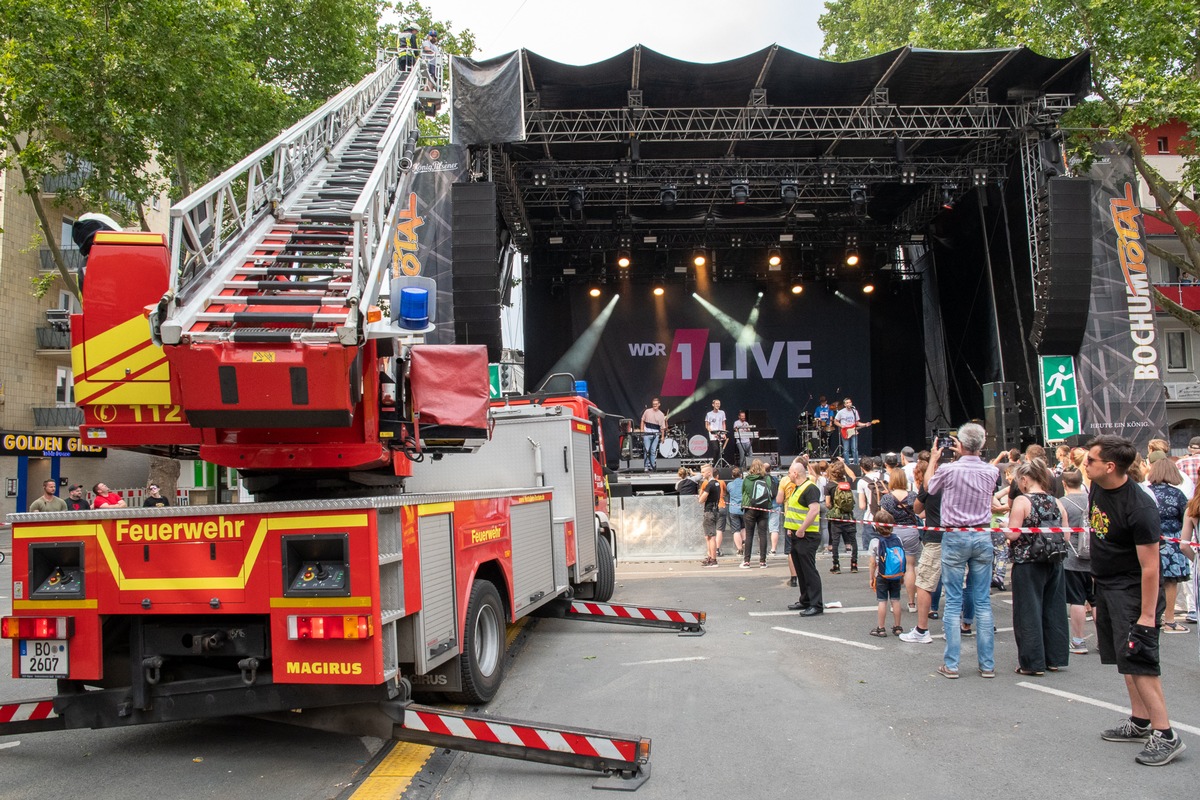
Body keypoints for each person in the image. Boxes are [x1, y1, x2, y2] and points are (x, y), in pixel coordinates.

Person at [1086, 435, 1184, 766]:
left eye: (1090, 461)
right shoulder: (1099, 488)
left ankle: (1166, 734)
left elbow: (1151, 567)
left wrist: (1146, 617)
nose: (1084, 465)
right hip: (1109, 587)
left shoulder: (1139, 507)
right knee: (1124, 661)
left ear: (1109, 466)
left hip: (1132, 591)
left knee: (1140, 660)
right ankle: (1140, 722)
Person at [927, 422, 998, 679]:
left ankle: (952, 664)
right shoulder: (991, 472)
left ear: (961, 444)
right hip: (981, 534)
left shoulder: (949, 469)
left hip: (955, 535)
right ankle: (987, 664)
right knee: (982, 602)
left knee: (954, 600)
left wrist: (936, 459)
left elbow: (930, 489)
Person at [1006, 460, 1070, 675]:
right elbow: (1067, 534)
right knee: (1054, 609)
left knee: (1028, 612)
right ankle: (1055, 658)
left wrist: (1001, 528)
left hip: (1028, 562)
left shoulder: (1022, 501)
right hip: (1054, 560)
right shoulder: (1056, 502)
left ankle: (1032, 663)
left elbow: (1014, 533)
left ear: (1024, 479)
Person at [1146, 456, 1191, 633]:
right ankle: (1170, 620)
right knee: (1171, 582)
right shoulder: (1177, 494)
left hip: (1150, 540)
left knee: (1150, 580)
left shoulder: (1145, 492)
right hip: (1172, 541)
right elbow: (1184, 518)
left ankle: (1150, 617)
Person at [782, 457, 824, 616]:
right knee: (800, 570)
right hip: (797, 535)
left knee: (809, 570)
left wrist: (801, 529)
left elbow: (814, 510)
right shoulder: (797, 488)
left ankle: (816, 604)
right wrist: (792, 528)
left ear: (795, 473)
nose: (788, 475)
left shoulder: (809, 488)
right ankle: (805, 600)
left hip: (807, 535)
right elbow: (795, 510)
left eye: (789, 473)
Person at [1060, 468, 1094, 655]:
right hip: (1094, 557)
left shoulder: (1063, 503)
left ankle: (1079, 640)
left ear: (1064, 484)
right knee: (1096, 601)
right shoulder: (1092, 501)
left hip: (1072, 557)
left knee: (1077, 600)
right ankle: (1104, 642)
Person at [880, 469, 921, 612]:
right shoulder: (912, 496)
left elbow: (883, 518)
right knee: (910, 567)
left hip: (894, 533)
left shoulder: (887, 498)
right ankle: (912, 603)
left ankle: (895, 602)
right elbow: (919, 512)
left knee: (894, 566)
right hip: (911, 531)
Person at [868, 510, 906, 637]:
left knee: (882, 601)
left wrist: (871, 577)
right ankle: (897, 627)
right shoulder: (898, 539)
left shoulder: (875, 541)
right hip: (896, 574)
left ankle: (881, 628)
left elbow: (872, 563)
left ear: (876, 525)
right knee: (895, 600)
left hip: (881, 575)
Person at [825, 460, 859, 574]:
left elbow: (827, 503)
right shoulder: (847, 483)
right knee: (853, 541)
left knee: (835, 541)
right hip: (849, 516)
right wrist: (844, 464)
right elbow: (853, 476)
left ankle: (836, 565)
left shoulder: (829, 485)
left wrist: (833, 508)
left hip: (837, 517)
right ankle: (854, 564)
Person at [741, 460, 773, 569]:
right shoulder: (766, 478)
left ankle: (746, 561)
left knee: (749, 535)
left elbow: (744, 492)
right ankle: (763, 561)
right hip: (763, 508)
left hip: (750, 508)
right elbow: (770, 492)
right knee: (763, 534)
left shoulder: (747, 479)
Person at [698, 465, 721, 567]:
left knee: (711, 536)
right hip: (715, 510)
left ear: (709, 473)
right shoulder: (717, 483)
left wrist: (701, 494)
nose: (702, 474)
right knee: (708, 536)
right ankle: (710, 556)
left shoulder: (710, 484)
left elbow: (701, 500)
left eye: (703, 472)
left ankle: (713, 559)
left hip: (709, 511)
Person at [640, 397, 667, 472]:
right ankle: (646, 466)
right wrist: (642, 430)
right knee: (646, 450)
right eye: (653, 404)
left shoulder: (661, 414)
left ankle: (652, 465)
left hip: (656, 434)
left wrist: (662, 436)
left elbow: (662, 427)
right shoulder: (647, 411)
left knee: (653, 450)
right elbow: (642, 420)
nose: (654, 405)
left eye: (656, 404)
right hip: (647, 433)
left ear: (659, 404)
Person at [833, 397, 863, 464]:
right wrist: (841, 426)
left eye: (850, 402)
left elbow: (857, 422)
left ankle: (856, 464)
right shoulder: (841, 412)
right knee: (846, 449)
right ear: (845, 405)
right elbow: (835, 421)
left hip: (853, 431)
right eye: (847, 403)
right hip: (845, 431)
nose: (849, 404)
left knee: (854, 449)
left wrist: (865, 424)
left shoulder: (855, 411)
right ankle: (847, 464)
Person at [726, 467, 746, 558]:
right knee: (743, 528)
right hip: (744, 509)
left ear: (732, 476)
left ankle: (739, 549)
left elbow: (727, 493)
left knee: (736, 530)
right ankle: (745, 542)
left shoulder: (730, 485)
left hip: (733, 510)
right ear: (741, 475)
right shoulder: (745, 483)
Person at [704, 399, 727, 466]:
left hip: (721, 433)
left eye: (719, 403)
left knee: (721, 450)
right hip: (713, 434)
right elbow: (707, 425)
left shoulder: (722, 412)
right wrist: (712, 432)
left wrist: (724, 433)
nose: (718, 405)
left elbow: (723, 423)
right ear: (713, 405)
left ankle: (721, 464)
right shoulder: (709, 414)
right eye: (716, 403)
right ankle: (715, 464)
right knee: (716, 449)